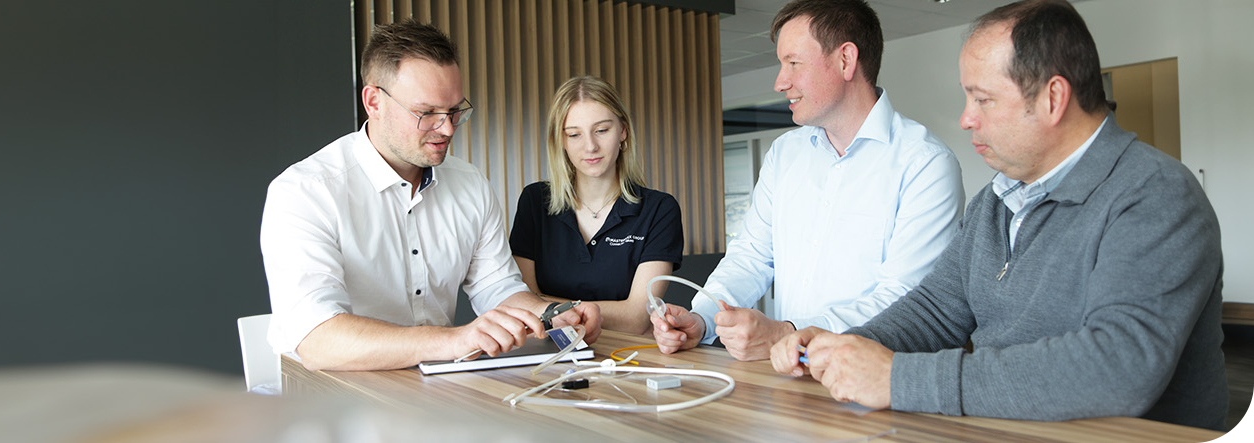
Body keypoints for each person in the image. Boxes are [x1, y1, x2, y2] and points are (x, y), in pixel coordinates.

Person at [770, 0, 1226, 430]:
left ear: (1052, 98)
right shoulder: (997, 199)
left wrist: (896, 378)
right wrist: (845, 344)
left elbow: (1118, 367)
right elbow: (935, 311)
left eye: (982, 99)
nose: (966, 118)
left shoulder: (1154, 194)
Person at [260, 21, 603, 371]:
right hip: (329, 392)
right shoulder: (306, 191)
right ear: (373, 101)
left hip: (434, 383)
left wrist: (552, 315)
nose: (448, 128)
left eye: (455, 110)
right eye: (427, 113)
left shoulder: (469, 184)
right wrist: (455, 339)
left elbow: (497, 288)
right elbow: (319, 341)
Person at [649, 0, 963, 361]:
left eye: (793, 63)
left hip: (877, 382)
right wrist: (703, 319)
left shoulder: (925, 164)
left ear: (845, 60)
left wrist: (790, 333)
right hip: (790, 376)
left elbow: (905, 299)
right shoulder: (785, 154)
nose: (780, 82)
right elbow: (751, 256)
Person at [510, 76, 684, 335]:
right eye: (574, 134)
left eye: (602, 130)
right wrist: (544, 307)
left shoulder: (659, 209)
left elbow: (637, 317)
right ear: (562, 141)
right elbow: (525, 303)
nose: (590, 146)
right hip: (548, 353)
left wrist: (550, 308)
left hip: (628, 357)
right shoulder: (535, 202)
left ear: (623, 131)